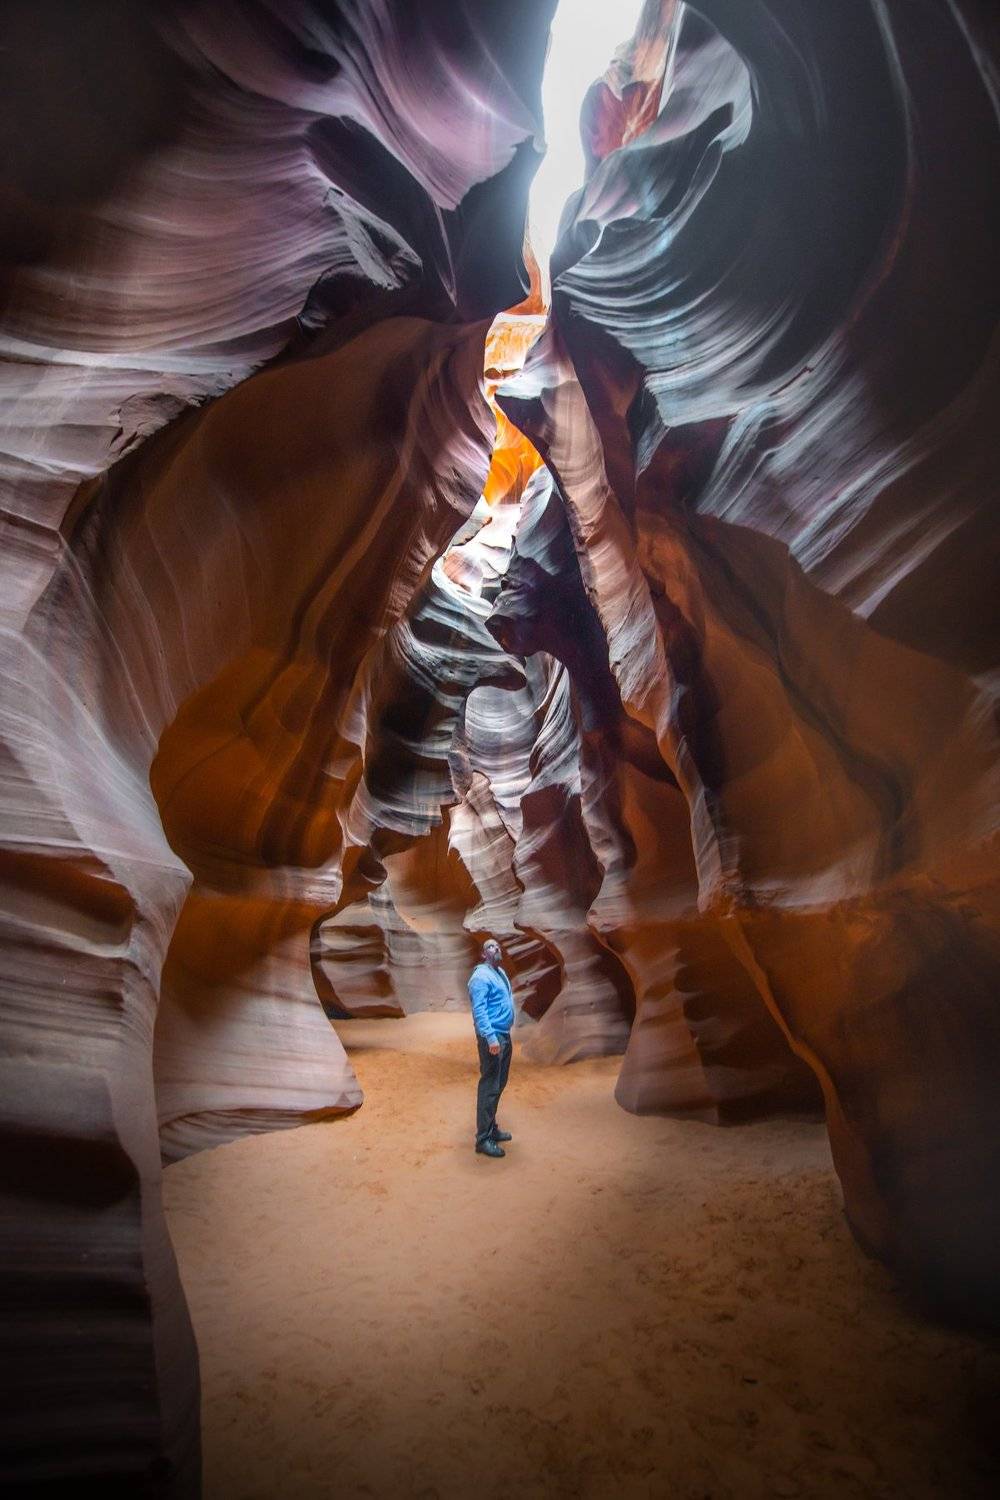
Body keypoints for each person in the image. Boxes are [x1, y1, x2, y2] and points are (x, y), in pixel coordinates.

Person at [467, 937, 515, 1158]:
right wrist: (491, 1038)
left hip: (503, 1035)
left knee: (499, 1083)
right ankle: (483, 1139)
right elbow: (479, 1011)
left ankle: (491, 1128)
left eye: (497, 945)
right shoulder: (480, 976)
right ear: (483, 954)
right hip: (493, 1039)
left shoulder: (500, 973)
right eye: (490, 947)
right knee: (489, 1086)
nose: (496, 948)